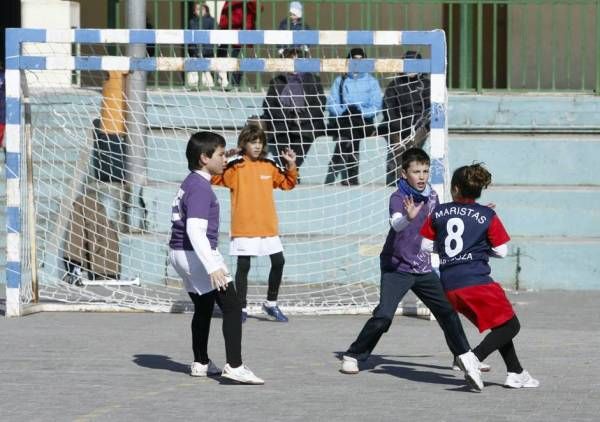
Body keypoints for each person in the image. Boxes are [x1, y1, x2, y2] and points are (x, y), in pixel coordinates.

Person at [340, 148, 485, 392]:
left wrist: (474, 213)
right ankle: (353, 355)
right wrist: (407, 217)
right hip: (396, 267)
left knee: (447, 311)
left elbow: (442, 223)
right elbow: (396, 224)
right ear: (404, 173)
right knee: (384, 316)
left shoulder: (433, 197)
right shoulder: (398, 197)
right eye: (416, 171)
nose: (421, 176)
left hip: (422, 267)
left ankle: (463, 356)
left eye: (425, 171)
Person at [420, 163, 540, 389]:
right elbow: (502, 251)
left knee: (500, 325)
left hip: (449, 286)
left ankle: (516, 372)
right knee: (511, 326)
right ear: (478, 190)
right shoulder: (486, 214)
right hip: (477, 282)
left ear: (455, 189)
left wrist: (451, 252)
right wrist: (478, 249)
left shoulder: (439, 212)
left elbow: (426, 246)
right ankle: (472, 357)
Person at [169, 131, 264, 384]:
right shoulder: (201, 188)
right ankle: (235, 365)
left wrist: (227, 155)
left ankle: (200, 362)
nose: (225, 159)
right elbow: (195, 230)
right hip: (198, 254)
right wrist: (212, 266)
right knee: (232, 307)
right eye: (221, 155)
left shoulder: (191, 181)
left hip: (178, 252)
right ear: (204, 158)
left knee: (203, 306)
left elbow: (188, 229)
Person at [212, 125, 297, 323]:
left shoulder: (269, 165)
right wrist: (225, 160)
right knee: (243, 266)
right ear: (244, 144)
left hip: (267, 226)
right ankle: (240, 307)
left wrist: (291, 165)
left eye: (260, 142)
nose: (257, 146)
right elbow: (214, 177)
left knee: (279, 262)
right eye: (253, 142)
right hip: (244, 226)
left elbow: (287, 183)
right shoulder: (235, 166)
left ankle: (271, 303)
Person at [262, 47, 326, 169]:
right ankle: (290, 171)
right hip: (282, 124)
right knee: (281, 139)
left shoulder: (313, 80)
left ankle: (291, 170)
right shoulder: (277, 81)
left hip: (306, 124)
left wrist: (301, 118)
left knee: (301, 139)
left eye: (298, 61)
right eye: (291, 61)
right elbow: (269, 105)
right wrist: (287, 118)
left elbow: (319, 104)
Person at [325, 48, 382, 185]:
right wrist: (343, 110)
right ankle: (351, 176)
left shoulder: (372, 82)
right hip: (344, 119)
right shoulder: (340, 80)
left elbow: (376, 106)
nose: (357, 63)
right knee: (350, 125)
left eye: (360, 60)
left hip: (364, 122)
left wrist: (361, 111)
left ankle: (336, 171)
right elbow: (332, 103)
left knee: (351, 127)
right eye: (354, 59)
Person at [378, 51, 431, 186]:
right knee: (398, 148)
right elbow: (389, 108)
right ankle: (398, 183)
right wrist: (400, 125)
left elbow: (428, 110)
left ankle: (413, 182)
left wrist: (417, 126)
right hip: (398, 126)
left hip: (420, 125)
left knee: (411, 147)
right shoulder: (395, 84)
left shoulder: (427, 84)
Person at [218, 1, 260, 88]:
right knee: (230, 58)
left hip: (239, 33)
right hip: (232, 33)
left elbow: (258, 9)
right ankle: (231, 82)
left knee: (235, 59)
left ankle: (232, 83)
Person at [187, 2, 216, 88]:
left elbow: (214, 38)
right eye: (197, 9)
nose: (199, 11)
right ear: (194, 11)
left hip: (208, 53)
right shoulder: (192, 22)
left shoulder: (211, 21)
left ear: (206, 10)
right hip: (194, 53)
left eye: (202, 9)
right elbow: (190, 38)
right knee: (193, 78)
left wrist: (205, 51)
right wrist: (193, 49)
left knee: (207, 76)